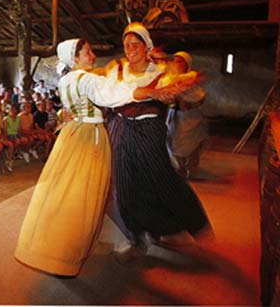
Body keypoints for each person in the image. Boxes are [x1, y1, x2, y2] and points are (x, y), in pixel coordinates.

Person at [15, 38, 179, 277]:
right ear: (76, 58)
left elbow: (70, 111)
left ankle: (53, 247)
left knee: (65, 193)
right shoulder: (88, 79)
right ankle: (66, 254)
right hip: (90, 136)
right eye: (87, 52)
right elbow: (114, 94)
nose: (92, 55)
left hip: (71, 135)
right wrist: (153, 91)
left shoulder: (66, 80)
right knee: (86, 197)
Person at [104, 22, 212, 261]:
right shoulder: (117, 69)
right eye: (126, 45)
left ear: (146, 47)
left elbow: (192, 94)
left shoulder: (162, 71)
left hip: (150, 129)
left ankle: (190, 225)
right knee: (125, 185)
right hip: (120, 127)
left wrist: (182, 82)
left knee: (160, 178)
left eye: (135, 44)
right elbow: (105, 94)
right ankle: (136, 236)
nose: (130, 49)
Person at [166, 51, 208, 178]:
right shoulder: (169, 79)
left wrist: (188, 102)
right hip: (175, 117)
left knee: (192, 144)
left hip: (190, 118)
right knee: (173, 143)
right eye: (174, 60)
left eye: (180, 61)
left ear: (186, 64)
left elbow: (199, 97)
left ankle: (191, 170)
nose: (176, 64)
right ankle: (179, 169)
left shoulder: (191, 79)